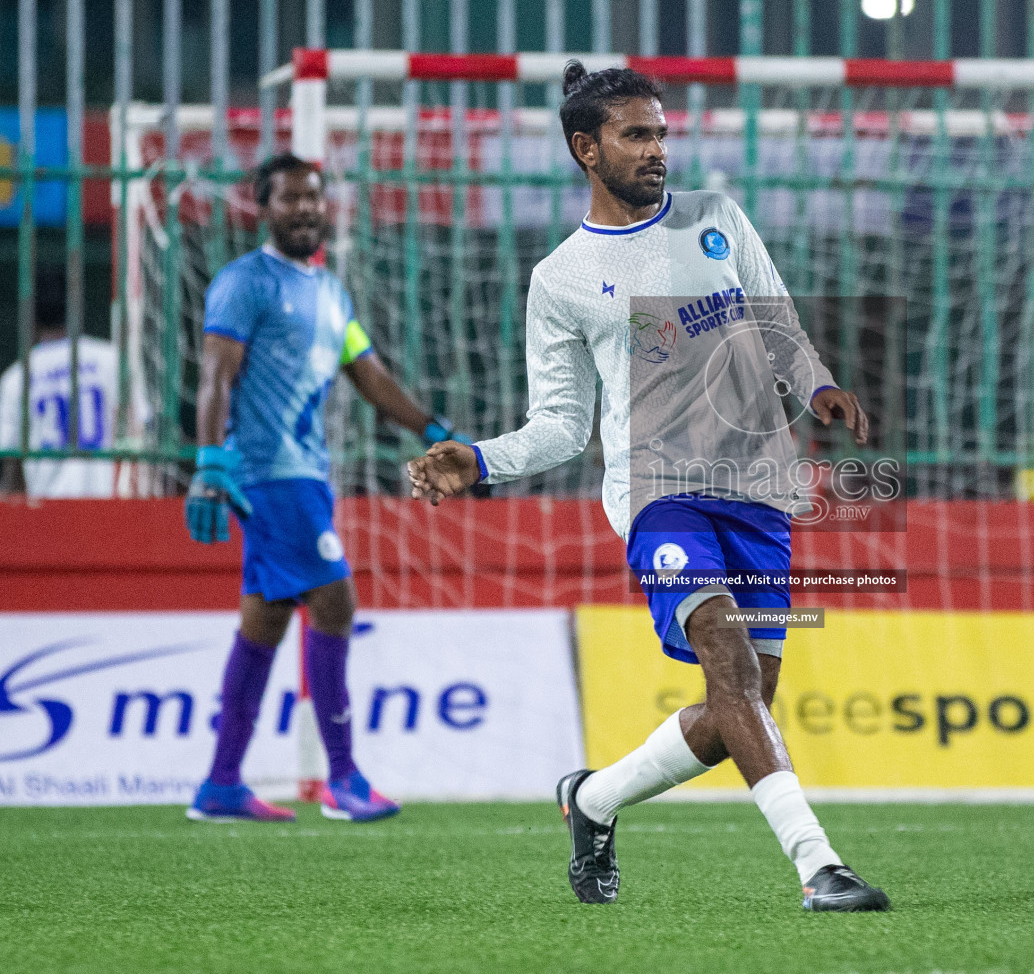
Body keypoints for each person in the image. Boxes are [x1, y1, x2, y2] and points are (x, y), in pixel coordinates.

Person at [407, 63, 889, 912]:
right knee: (728, 659)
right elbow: (561, 423)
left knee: (739, 704)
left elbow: (778, 328)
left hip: (759, 489)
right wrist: (478, 459)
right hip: (660, 495)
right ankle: (821, 867)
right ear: (586, 148)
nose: (658, 149)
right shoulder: (561, 277)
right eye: (638, 134)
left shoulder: (716, 219)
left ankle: (591, 801)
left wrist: (816, 385)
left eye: (662, 132)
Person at [186, 153, 470, 824]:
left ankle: (221, 783)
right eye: (290, 198)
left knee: (267, 618)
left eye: (313, 196)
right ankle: (342, 779)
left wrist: (433, 429)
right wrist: (208, 463)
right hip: (267, 471)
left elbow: (369, 377)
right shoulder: (243, 283)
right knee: (335, 601)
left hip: (306, 473)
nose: (305, 207)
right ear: (265, 207)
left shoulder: (329, 291)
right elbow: (214, 375)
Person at [0, 266, 140, 497]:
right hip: (111, 506)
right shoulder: (110, 359)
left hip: (47, 512)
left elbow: (11, 463)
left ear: (31, 318)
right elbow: (139, 434)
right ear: (76, 310)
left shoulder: (17, 377)